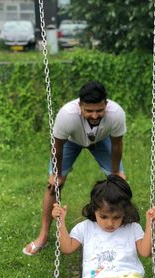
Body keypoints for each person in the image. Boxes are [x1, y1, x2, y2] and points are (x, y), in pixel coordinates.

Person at [23, 81, 126, 256]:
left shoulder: (116, 113)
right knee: (53, 186)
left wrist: (116, 173)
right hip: (71, 141)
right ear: (80, 106)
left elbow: (117, 146)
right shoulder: (67, 115)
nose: (94, 115)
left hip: (101, 141)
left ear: (106, 105)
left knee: (120, 184)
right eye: (89, 111)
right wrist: (57, 175)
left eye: (99, 110)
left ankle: (122, 233)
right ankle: (43, 236)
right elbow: (57, 147)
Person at [52, 175, 155, 278]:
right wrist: (60, 222)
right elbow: (67, 248)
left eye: (116, 217)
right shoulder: (85, 227)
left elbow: (146, 252)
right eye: (103, 216)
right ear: (94, 210)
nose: (110, 223)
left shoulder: (132, 228)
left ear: (125, 212)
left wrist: (149, 224)